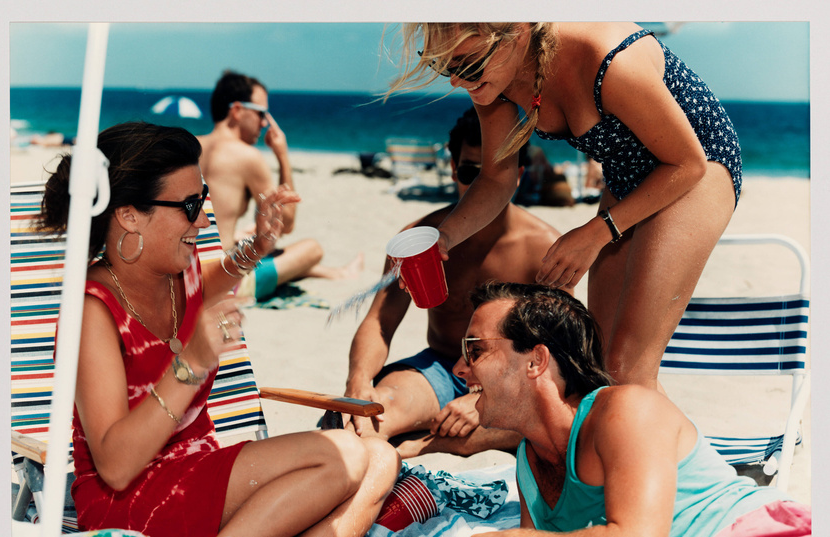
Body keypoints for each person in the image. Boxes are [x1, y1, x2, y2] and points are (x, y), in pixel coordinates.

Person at [37, 122, 400, 537]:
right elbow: (116, 466)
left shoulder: (174, 271)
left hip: (198, 474)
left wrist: (258, 245)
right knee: (347, 458)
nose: (204, 216)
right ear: (129, 216)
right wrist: (191, 363)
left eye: (203, 196)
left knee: (381, 457)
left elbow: (211, 282)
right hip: (133, 501)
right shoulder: (93, 312)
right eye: (189, 206)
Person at [349, 281, 811, 537]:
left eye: (476, 349)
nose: (460, 369)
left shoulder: (625, 411)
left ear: (536, 360)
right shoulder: (529, 462)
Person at [388, 23, 742, 390]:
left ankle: (663, 448)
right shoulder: (496, 81)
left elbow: (688, 163)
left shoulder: (608, 60)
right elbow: (497, 179)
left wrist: (595, 233)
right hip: (626, 176)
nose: (457, 82)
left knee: (628, 367)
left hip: (696, 166)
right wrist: (445, 237)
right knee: (597, 366)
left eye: (468, 66)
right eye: (446, 67)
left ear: (519, 32)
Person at [344, 107, 561, 458]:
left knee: (548, 419)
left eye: (492, 174)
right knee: (367, 415)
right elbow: (379, 322)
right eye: (468, 171)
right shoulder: (417, 241)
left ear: (517, 175)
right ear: (451, 168)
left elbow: (558, 354)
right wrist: (358, 381)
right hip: (442, 366)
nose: (479, 186)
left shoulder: (544, 249)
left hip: (514, 382)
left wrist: (481, 398)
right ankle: (386, 458)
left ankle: (416, 449)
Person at [198, 70, 362, 301]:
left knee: (249, 243)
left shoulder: (190, 147)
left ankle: (335, 273)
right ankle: (339, 273)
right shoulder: (247, 156)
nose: (264, 122)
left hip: (188, 274)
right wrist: (282, 155)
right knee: (312, 248)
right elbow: (286, 223)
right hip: (223, 282)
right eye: (261, 113)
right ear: (236, 111)